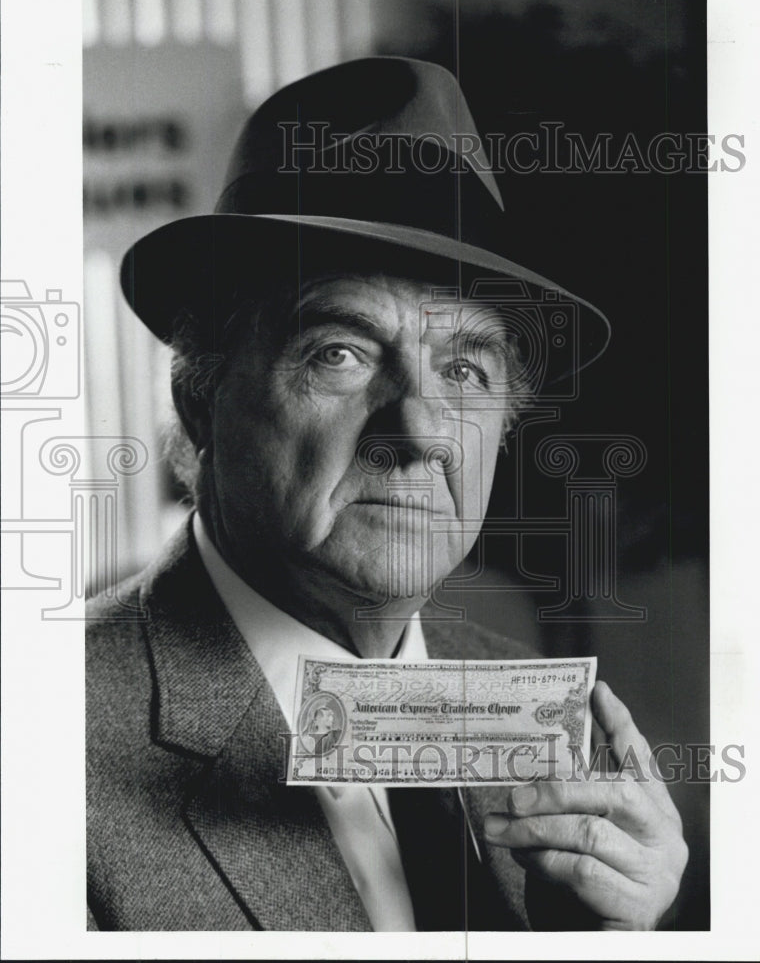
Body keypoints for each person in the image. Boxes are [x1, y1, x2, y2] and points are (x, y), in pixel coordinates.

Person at [86, 56, 687, 932]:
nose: (420, 430)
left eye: (465, 369)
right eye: (341, 353)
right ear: (202, 399)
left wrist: (601, 947)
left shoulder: (533, 705)